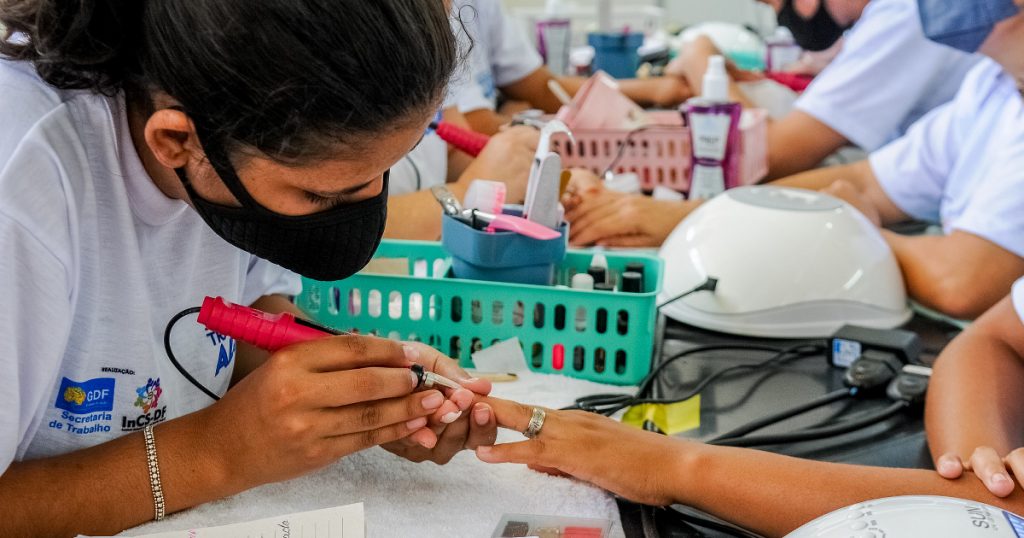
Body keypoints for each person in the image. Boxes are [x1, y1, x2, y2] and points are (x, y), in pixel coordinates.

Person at [0, 1, 498, 536]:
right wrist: (218, 453)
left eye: (385, 170)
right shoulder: (22, 180)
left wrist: (354, 396)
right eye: (321, 193)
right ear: (178, 141)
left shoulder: (236, 121)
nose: (369, 201)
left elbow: (249, 316)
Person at [566, 0, 1024, 320]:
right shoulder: (992, 86)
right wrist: (692, 218)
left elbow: (960, 280)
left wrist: (856, 225)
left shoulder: (908, 23)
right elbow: (861, 183)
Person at [669, 0, 979, 180]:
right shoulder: (881, 20)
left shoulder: (907, 16)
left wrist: (699, 54)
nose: (779, 12)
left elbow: (769, 155)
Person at [449, 0, 695, 136]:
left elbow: (543, 87)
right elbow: (470, 129)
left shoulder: (481, 6)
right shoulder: (442, 14)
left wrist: (652, 91)